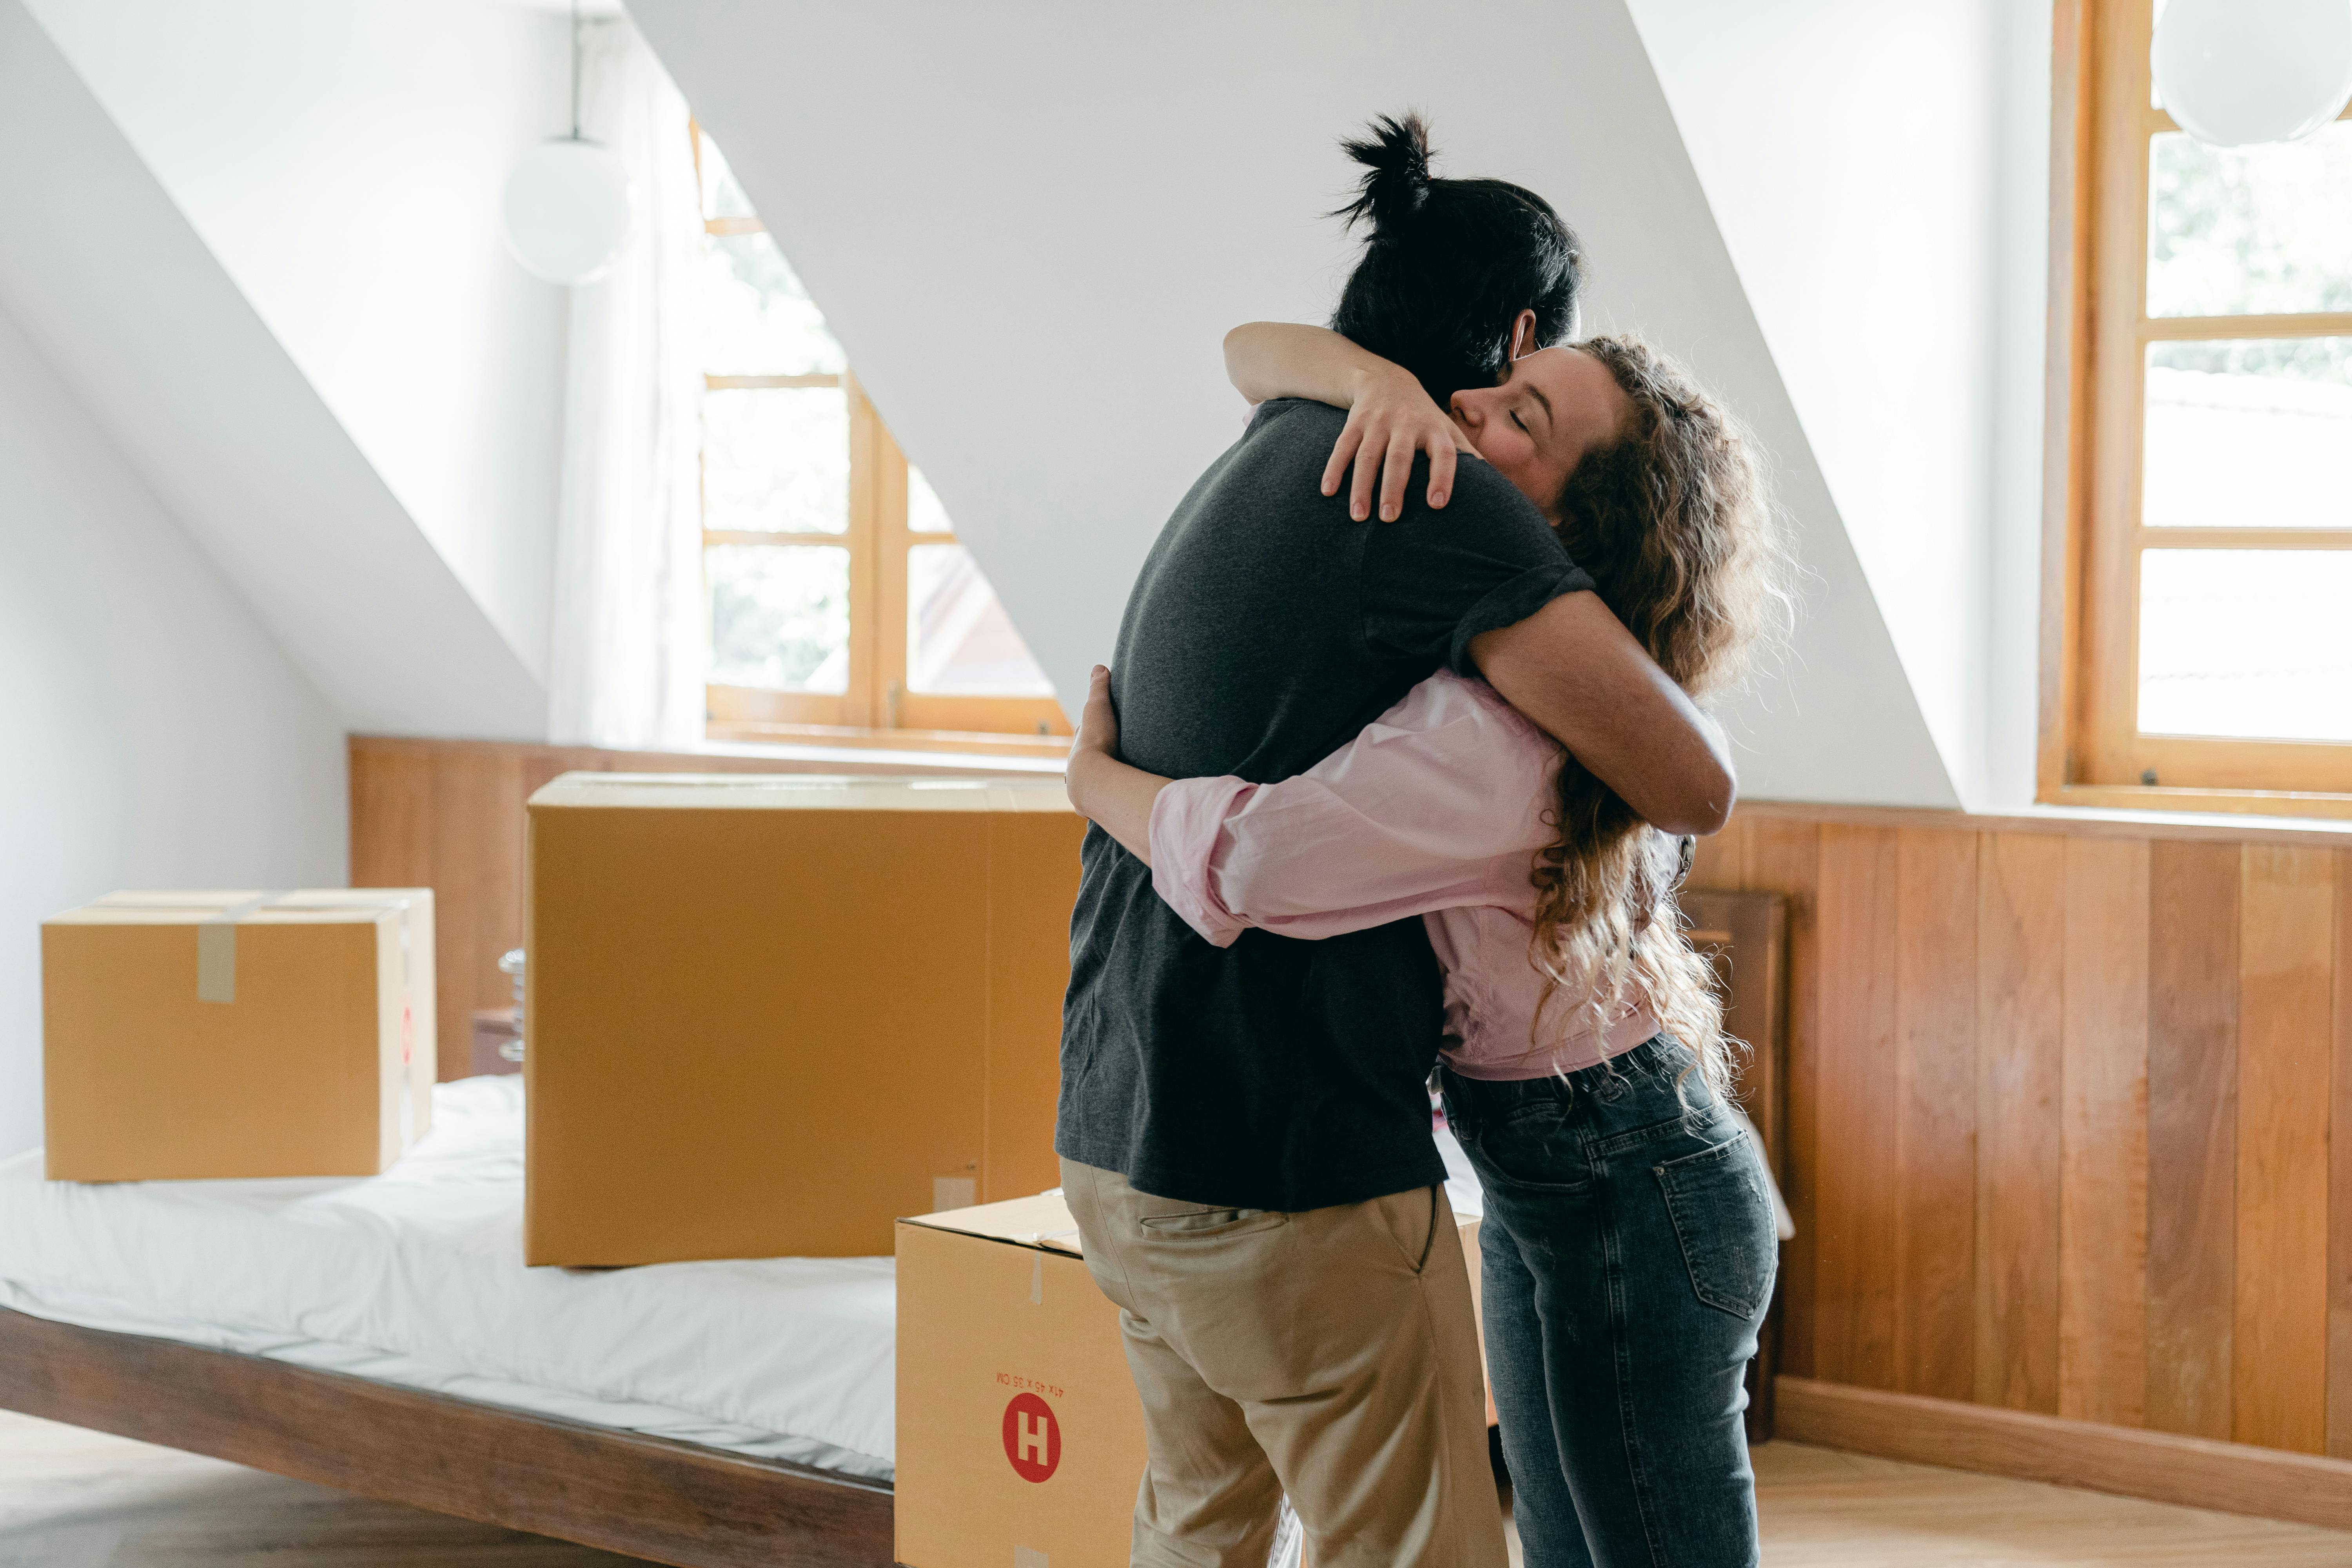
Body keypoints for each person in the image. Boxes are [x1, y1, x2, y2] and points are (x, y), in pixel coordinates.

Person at [1053, 113, 1735, 1568]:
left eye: (1526, 418)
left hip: (1119, 1125)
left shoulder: (1291, 442)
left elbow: (1256, 344)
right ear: (1517, 329)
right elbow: (1688, 774)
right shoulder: (1433, 493)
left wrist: (1091, 778)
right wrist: (1097, 784)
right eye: (1506, 390)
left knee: (1205, 1525)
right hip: (1280, 1156)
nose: (1487, 430)